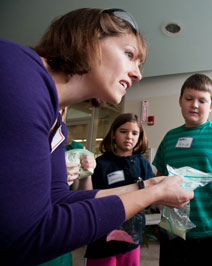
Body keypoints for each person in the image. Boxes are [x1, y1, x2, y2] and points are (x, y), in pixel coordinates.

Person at [0, 8, 193, 266]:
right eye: (129, 54)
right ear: (89, 39)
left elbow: (59, 200)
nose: (138, 74)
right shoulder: (20, 73)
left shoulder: (57, 126)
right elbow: (28, 237)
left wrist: (145, 187)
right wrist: (151, 196)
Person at [152, 73, 212, 266]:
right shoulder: (169, 137)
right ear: (180, 101)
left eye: (202, 100)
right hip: (173, 232)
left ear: (211, 105)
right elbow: (158, 181)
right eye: (188, 99)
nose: (194, 105)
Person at [85, 113, 154, 266]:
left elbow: (150, 199)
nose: (129, 136)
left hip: (132, 235)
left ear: (140, 137)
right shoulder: (101, 163)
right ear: (114, 134)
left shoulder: (142, 163)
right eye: (123, 131)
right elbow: (90, 197)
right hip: (103, 234)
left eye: (134, 133)